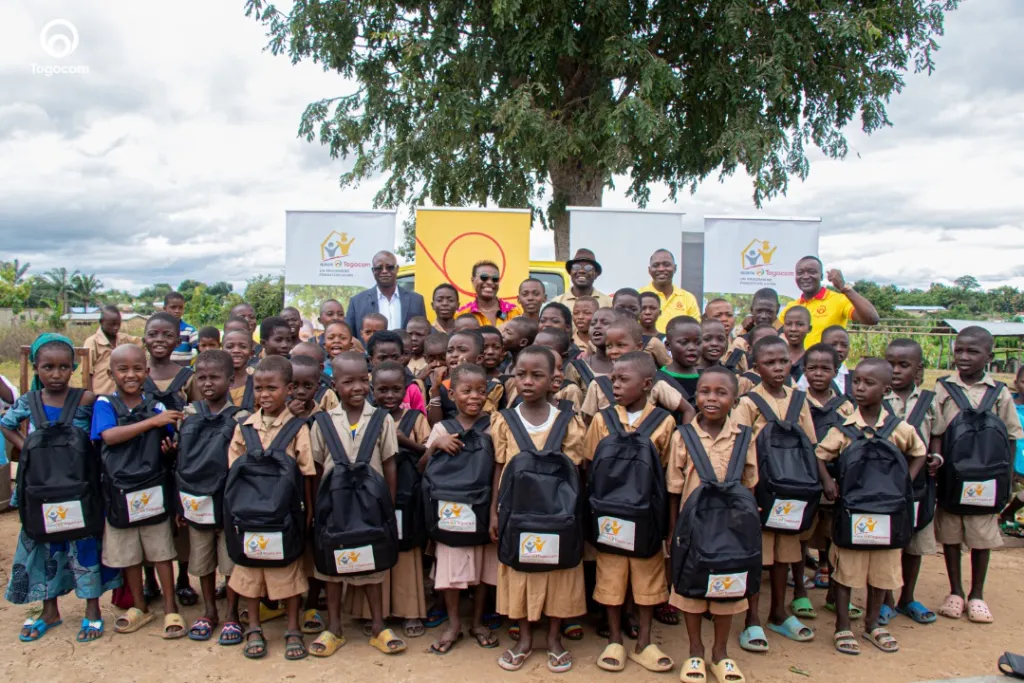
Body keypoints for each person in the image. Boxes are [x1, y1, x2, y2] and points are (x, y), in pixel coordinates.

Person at [0, 334, 120, 643]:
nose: (56, 374)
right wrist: (26, 447)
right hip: (40, 492)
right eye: (48, 367)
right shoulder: (28, 402)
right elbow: (6, 423)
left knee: (85, 546)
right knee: (43, 545)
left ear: (74, 368)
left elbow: (103, 432)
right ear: (36, 368)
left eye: (64, 367)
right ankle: (49, 610)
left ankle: (92, 610)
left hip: (79, 490)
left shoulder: (86, 400)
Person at [816, 358, 927, 655]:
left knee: (882, 572)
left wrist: (906, 481)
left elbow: (920, 453)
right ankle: (842, 626)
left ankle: (873, 624)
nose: (860, 388)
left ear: (886, 389)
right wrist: (828, 481)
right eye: (857, 382)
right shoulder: (844, 430)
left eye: (869, 383)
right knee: (846, 572)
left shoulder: (898, 428)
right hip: (853, 512)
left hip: (888, 514)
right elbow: (819, 456)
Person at [493, 347, 587, 673]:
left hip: (558, 514)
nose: (528, 381)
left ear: (554, 380)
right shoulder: (504, 420)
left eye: (537, 375)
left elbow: (577, 471)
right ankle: (524, 638)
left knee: (558, 574)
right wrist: (494, 511)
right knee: (519, 572)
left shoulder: (568, 421)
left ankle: (554, 637)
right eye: (521, 375)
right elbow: (498, 468)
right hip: (516, 514)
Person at [583, 351, 675, 674]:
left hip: (646, 517)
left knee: (648, 577)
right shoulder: (601, 419)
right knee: (610, 574)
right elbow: (590, 466)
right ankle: (615, 641)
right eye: (613, 379)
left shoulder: (664, 422)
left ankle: (644, 642)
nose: (615, 385)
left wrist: (667, 526)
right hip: (608, 515)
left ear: (647, 384)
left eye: (623, 380)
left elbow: (666, 474)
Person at [308, 352, 405, 657]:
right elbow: (314, 469)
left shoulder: (381, 419)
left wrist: (387, 507)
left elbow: (390, 464)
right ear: (334, 385)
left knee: (371, 564)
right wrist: (313, 509)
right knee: (332, 569)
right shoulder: (322, 422)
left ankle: (378, 626)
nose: (357, 387)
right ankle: (334, 627)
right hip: (332, 505)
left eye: (363, 379)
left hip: (370, 505)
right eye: (348, 381)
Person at [666, 367, 757, 683]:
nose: (712, 398)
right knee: (690, 590)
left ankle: (721, 653)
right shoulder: (683, 436)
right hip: (692, 529)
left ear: (734, 398)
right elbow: (674, 490)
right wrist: (674, 533)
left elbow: (750, 484)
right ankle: (695, 650)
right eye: (705, 391)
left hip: (733, 530)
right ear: (696, 395)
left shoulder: (745, 436)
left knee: (727, 590)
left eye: (721, 393)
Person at [731, 335, 817, 652]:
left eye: (783, 361)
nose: (778, 368)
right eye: (769, 362)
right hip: (759, 492)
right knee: (759, 556)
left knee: (785, 554)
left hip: (792, 490)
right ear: (756, 366)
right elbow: (738, 451)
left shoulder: (799, 399)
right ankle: (753, 617)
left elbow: (810, 445)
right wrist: (745, 495)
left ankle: (778, 612)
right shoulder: (748, 403)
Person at [91, 344, 183, 639]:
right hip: (119, 492)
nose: (130, 375)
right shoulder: (105, 404)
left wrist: (169, 449)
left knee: (161, 551)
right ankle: (140, 607)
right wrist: (152, 423)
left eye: (137, 369)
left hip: (151, 487)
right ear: (110, 373)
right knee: (129, 554)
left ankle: (171, 607)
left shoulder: (156, 404)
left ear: (146, 371)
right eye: (123, 369)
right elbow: (109, 436)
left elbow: (169, 442)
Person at [931, 326, 1022, 625]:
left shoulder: (999, 392)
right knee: (952, 534)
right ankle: (955, 591)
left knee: (981, 536)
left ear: (989, 357)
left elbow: (1010, 436)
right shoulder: (943, 388)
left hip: (987, 478)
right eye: (959, 350)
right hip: (952, 476)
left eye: (973, 351)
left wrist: (1006, 481)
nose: (964, 356)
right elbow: (938, 433)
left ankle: (977, 594)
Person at [226, 356, 316, 660]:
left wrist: (308, 514)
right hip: (249, 515)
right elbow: (233, 473)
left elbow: (306, 474)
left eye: (272, 388)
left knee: (288, 572)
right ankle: (253, 627)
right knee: (250, 574)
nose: (265, 395)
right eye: (259, 388)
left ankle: (293, 628)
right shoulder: (244, 428)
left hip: (284, 515)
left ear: (289, 389)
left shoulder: (297, 428)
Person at [422, 363, 498, 654]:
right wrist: (434, 445)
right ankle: (453, 624)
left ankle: (477, 622)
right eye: (466, 391)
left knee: (482, 571)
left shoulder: (495, 424)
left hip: (482, 509)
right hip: (451, 512)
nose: (474, 397)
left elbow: (500, 469)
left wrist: (494, 511)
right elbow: (422, 470)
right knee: (451, 571)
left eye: (481, 391)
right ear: (452, 394)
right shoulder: (442, 427)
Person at [177, 350, 246, 645]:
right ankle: (208, 611)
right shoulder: (189, 415)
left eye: (214, 377)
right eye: (201, 377)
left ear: (230, 380)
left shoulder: (242, 417)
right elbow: (180, 460)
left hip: (228, 501)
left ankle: (231, 613)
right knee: (202, 559)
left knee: (230, 562)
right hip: (196, 500)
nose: (207, 383)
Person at [882, 338, 940, 625]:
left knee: (914, 542)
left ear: (918, 371)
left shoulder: (929, 401)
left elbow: (937, 433)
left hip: (918, 485)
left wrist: (937, 456)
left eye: (903, 365)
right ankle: (885, 600)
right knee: (886, 542)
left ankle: (908, 597)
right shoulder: (877, 399)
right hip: (883, 484)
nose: (895, 370)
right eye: (890, 364)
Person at [372, 361, 430, 639]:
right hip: (373, 495)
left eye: (396, 389)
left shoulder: (416, 418)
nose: (389, 396)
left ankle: (410, 611)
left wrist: (403, 441)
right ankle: (375, 612)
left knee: (406, 553)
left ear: (405, 390)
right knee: (376, 548)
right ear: (373, 390)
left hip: (407, 496)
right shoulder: (368, 418)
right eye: (382, 390)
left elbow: (429, 455)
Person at [802, 343, 856, 601]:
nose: (819, 373)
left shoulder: (845, 406)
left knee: (831, 526)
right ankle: (804, 566)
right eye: (812, 368)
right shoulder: (798, 401)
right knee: (806, 525)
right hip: (805, 474)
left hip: (837, 474)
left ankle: (829, 568)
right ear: (803, 371)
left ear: (836, 371)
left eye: (825, 368)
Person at [779, 256, 879, 347]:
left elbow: (872, 319)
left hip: (829, 365)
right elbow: (774, 329)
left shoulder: (839, 300)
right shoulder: (792, 306)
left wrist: (844, 287)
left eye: (812, 272)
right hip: (803, 366)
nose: (805, 276)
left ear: (821, 276)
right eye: (800, 273)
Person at [346, 251, 427, 339]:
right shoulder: (357, 302)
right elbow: (350, 337)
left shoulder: (416, 300)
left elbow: (424, 332)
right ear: (373, 271)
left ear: (397, 269)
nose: (384, 271)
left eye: (390, 267)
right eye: (379, 268)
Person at [84, 305, 142, 395]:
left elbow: (142, 342)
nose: (115, 328)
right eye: (111, 325)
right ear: (101, 322)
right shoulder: (93, 342)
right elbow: (87, 372)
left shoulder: (124, 339)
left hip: (121, 395)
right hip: (100, 393)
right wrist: (89, 393)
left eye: (118, 324)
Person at [638, 249, 700, 333]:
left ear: (675, 268)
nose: (661, 269)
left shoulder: (688, 298)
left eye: (666, 264)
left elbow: (695, 329)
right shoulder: (638, 296)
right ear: (649, 270)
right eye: (656, 265)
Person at [613, 288, 671, 369]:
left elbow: (670, 371)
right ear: (611, 309)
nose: (626, 312)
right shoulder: (603, 340)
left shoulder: (653, 343)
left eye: (633, 309)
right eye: (621, 308)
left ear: (640, 312)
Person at [457, 260, 518, 326]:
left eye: (495, 279)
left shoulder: (513, 311)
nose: (490, 282)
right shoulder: (462, 314)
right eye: (484, 277)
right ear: (473, 280)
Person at [661, 316, 703, 403]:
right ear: (668, 345)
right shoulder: (658, 379)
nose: (692, 348)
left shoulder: (706, 378)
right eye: (684, 342)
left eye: (698, 343)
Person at [163, 292, 197, 366]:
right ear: (165, 309)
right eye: (173, 307)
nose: (177, 311)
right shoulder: (159, 331)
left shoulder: (189, 331)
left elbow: (200, 348)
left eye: (180, 307)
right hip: (163, 373)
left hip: (184, 374)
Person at [783, 306, 812, 383]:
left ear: (809, 328)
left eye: (800, 324)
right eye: (788, 324)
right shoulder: (775, 356)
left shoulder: (812, 360)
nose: (793, 329)